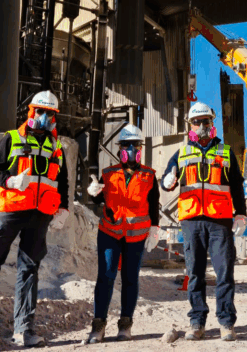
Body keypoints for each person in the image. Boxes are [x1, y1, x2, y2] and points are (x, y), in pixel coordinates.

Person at [0, 91, 69, 348]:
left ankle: (23, 330)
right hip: (10, 211)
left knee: (29, 271)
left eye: (50, 113)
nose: (45, 116)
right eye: (40, 111)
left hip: (41, 215)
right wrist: (10, 181)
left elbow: (63, 182)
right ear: (31, 111)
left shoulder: (57, 147)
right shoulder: (12, 138)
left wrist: (64, 208)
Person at [161, 101, 247, 342]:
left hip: (220, 220)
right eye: (196, 122)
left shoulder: (226, 152)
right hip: (192, 221)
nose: (201, 126)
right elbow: (167, 181)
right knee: (195, 274)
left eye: (205, 121)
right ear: (190, 125)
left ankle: (226, 323)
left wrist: (241, 213)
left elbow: (237, 186)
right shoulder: (181, 154)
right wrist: (166, 181)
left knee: (224, 273)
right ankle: (197, 322)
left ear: (212, 123)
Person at [84, 123, 160, 343]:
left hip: (136, 235)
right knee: (106, 276)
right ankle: (98, 326)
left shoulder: (149, 175)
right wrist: (93, 193)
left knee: (130, 278)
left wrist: (155, 228)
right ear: (119, 149)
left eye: (135, 145)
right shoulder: (108, 174)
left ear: (140, 148)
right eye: (126, 145)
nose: (131, 149)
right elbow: (99, 198)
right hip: (110, 232)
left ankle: (125, 325)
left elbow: (153, 204)